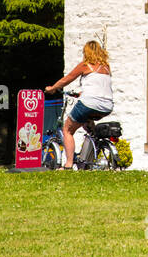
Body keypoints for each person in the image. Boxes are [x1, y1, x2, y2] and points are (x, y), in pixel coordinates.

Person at [46, 40, 114, 170]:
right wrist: (81, 93)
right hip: (107, 106)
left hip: (89, 103)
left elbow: (68, 78)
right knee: (87, 122)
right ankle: (89, 156)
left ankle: (69, 164)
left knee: (67, 130)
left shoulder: (85, 65)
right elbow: (99, 86)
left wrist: (53, 88)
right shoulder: (106, 67)